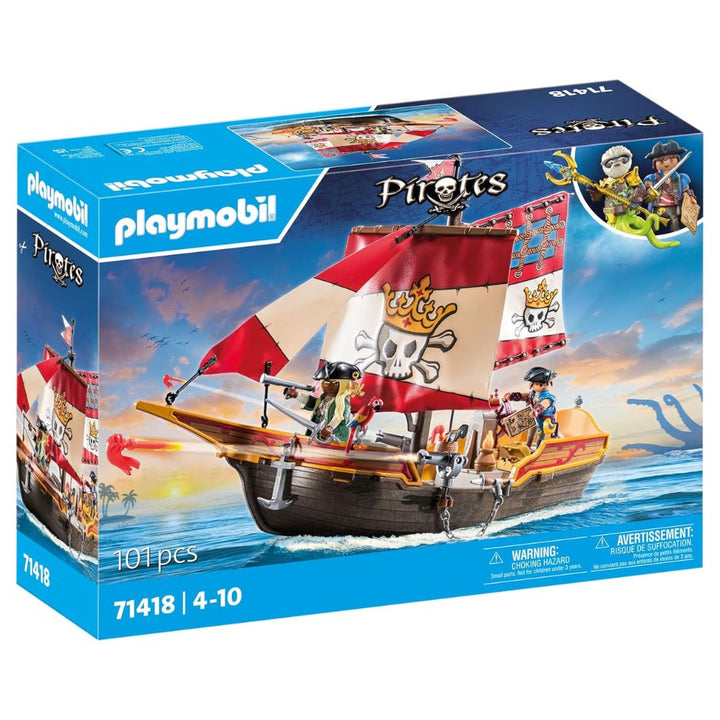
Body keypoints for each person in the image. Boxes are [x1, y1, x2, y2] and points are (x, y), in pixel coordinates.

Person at [285, 361, 362, 443]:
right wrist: (296, 395)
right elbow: (313, 403)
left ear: (343, 384)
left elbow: (340, 417)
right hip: (316, 431)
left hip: (334, 437)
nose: (329, 386)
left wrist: (330, 427)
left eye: (335, 383)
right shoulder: (323, 397)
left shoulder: (343, 402)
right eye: (326, 382)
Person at [643, 140, 695, 233]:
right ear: (655, 163)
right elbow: (645, 192)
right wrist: (648, 189)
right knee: (651, 227)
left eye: (671, 159)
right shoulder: (651, 178)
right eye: (661, 160)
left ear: (677, 159)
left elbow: (686, 191)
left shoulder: (682, 178)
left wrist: (690, 197)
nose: (666, 162)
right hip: (656, 208)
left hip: (673, 208)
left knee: (675, 225)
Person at [504, 366, 558, 448]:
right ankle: (527, 446)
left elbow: (544, 403)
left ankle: (539, 448)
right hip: (533, 419)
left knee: (541, 436)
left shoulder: (548, 397)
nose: (543, 386)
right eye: (540, 384)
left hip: (544, 422)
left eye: (546, 384)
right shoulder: (532, 394)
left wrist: (536, 411)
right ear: (531, 384)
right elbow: (524, 396)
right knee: (530, 433)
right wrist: (513, 396)